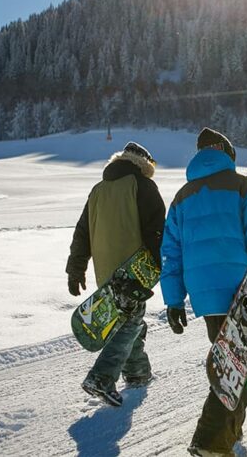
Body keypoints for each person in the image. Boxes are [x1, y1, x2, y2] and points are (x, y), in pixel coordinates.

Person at [160, 127, 247, 457]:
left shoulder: (182, 197)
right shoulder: (245, 187)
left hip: (206, 297)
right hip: (241, 291)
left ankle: (229, 432)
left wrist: (174, 300)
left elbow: (170, 254)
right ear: (228, 154)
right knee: (235, 366)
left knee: (231, 360)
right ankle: (210, 442)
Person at [65, 141, 166, 406]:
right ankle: (101, 377)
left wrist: (76, 268)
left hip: (105, 271)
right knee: (131, 320)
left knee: (127, 319)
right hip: (133, 270)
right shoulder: (142, 186)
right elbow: (157, 232)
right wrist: (163, 267)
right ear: (143, 162)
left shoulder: (98, 190)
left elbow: (83, 232)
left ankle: (137, 373)